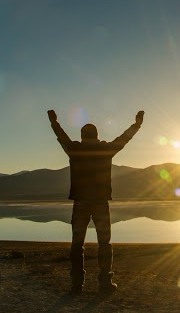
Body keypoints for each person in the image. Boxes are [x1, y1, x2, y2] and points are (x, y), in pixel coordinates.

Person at [48, 109, 144, 294]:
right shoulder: (105, 150)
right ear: (96, 135)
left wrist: (54, 122)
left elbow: (61, 136)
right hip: (100, 202)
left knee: (77, 244)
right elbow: (124, 138)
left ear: (83, 136)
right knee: (104, 243)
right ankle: (105, 282)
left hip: (81, 202)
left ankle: (77, 283)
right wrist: (137, 124)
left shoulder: (75, 150)